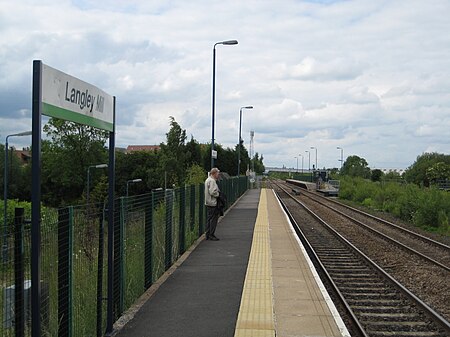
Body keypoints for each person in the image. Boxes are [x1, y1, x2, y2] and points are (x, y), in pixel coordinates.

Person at [204, 167, 220, 241]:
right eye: (217, 173)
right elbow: (212, 192)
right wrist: (218, 195)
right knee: (213, 219)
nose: (218, 175)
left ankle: (207, 234)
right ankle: (211, 234)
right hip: (212, 202)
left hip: (208, 202)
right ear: (214, 173)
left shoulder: (207, 180)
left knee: (209, 219)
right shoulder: (212, 181)